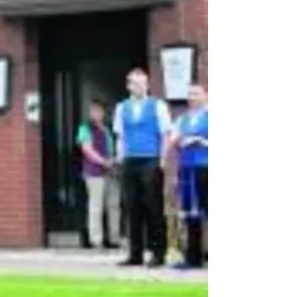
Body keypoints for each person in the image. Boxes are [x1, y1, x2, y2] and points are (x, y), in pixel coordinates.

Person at [114, 68, 174, 267]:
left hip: (151, 158)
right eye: (134, 83)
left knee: (153, 206)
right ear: (128, 86)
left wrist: (162, 159)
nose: (138, 86)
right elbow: (120, 136)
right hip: (130, 159)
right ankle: (135, 253)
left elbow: (165, 134)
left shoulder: (158, 106)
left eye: (142, 83)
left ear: (147, 85)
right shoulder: (121, 108)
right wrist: (121, 158)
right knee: (132, 208)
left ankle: (158, 252)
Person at [171, 84, 208, 270]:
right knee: (191, 214)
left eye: (196, 94)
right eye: (190, 94)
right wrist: (179, 141)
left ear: (205, 95)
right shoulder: (182, 119)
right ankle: (193, 257)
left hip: (206, 167)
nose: (193, 97)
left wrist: (202, 141)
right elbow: (174, 140)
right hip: (187, 168)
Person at [77, 99, 119, 250]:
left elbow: (112, 147)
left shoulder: (107, 128)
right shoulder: (85, 128)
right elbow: (86, 149)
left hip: (111, 172)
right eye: (94, 110)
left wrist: (113, 161)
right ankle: (96, 240)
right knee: (96, 206)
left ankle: (114, 238)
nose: (97, 113)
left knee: (114, 205)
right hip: (94, 172)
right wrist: (103, 162)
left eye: (99, 110)